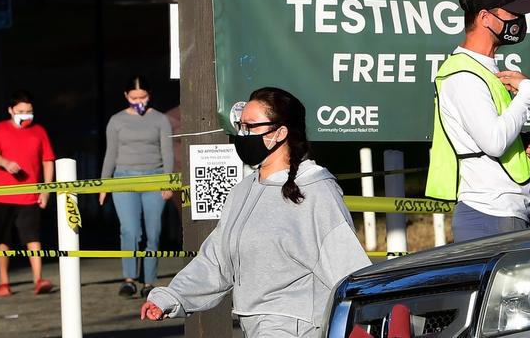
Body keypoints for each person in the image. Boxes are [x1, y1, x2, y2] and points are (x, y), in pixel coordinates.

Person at [139, 87, 371, 337]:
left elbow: (348, 267)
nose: (242, 134)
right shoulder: (243, 191)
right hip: (254, 325)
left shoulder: (317, 191)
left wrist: (369, 320)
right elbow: (216, 261)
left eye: (250, 126)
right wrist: (172, 297)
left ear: (280, 133)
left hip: (297, 326)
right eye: (240, 126)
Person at [425, 0, 530, 243]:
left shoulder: (482, 69)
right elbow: (494, 142)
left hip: (500, 215)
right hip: (488, 216)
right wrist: (527, 92)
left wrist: (519, 149)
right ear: (484, 17)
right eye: (511, 12)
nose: (518, 20)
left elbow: (490, 140)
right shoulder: (463, 75)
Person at [100, 75, 174, 299]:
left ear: (149, 95)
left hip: (154, 178)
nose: (139, 101)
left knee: (153, 231)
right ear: (126, 96)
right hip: (124, 179)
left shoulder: (160, 119)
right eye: (134, 98)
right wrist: (104, 184)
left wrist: (168, 182)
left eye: (143, 97)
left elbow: (167, 151)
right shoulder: (116, 121)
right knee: (129, 230)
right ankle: (129, 278)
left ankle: (149, 280)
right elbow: (110, 153)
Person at [0, 90, 55, 297]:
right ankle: (4, 282)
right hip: (4, 196)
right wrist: (5, 163)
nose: (26, 115)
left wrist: (46, 190)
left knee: (32, 237)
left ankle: (38, 279)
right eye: (21, 111)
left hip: (30, 196)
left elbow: (48, 160)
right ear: (10, 110)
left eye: (29, 111)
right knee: (3, 240)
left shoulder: (39, 131)